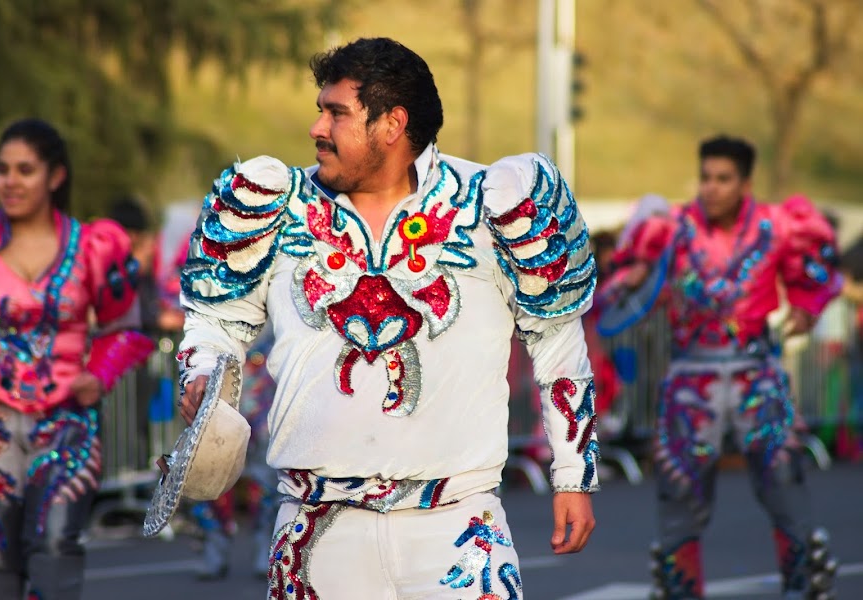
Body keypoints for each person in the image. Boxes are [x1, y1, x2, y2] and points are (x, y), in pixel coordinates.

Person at [176, 37, 599, 598]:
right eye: (319, 110)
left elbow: (555, 342)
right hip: (313, 528)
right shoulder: (274, 206)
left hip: (458, 526)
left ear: (392, 124)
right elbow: (217, 320)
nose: (317, 128)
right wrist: (203, 374)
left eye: (337, 113)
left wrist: (572, 477)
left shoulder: (491, 206)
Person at [597, 135, 842, 599]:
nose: (711, 188)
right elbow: (617, 296)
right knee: (679, 498)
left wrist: (807, 307)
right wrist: (637, 280)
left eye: (723, 179)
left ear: (745, 183)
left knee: (783, 483)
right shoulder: (670, 229)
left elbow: (813, 272)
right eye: (706, 177)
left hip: (757, 374)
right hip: (691, 378)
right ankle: (680, 589)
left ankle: (803, 584)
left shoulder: (778, 226)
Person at [0, 118, 155, 599]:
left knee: (54, 547)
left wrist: (99, 374)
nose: (10, 181)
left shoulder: (93, 246)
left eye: (25, 170)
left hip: (67, 424)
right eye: (3, 170)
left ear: (55, 176)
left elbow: (126, 328)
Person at [191, 326, 279, 581]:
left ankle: (266, 546)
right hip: (219, 386)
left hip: (263, 391)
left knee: (265, 478)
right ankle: (214, 547)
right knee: (211, 472)